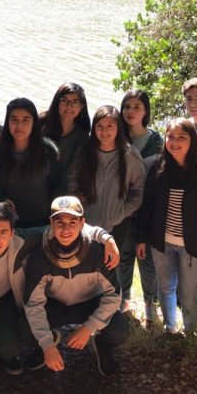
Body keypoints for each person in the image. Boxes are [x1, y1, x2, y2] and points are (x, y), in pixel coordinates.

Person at [0, 201, 120, 391]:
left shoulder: (22, 241)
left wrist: (106, 238)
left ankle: (11, 351)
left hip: (3, 304)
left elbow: (69, 229)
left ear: (12, 233)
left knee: (9, 348)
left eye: (3, 232)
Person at [136, 118, 197, 334]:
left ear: (192, 140)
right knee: (166, 288)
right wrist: (141, 237)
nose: (175, 142)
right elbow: (147, 205)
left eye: (181, 137)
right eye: (171, 137)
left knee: (188, 294)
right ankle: (171, 328)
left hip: (192, 246)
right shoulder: (158, 168)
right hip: (162, 243)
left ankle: (190, 331)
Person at [24, 196, 130, 376]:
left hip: (90, 302)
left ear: (82, 223)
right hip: (55, 304)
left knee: (119, 329)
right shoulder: (39, 257)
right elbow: (34, 304)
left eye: (72, 222)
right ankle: (46, 345)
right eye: (60, 222)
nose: (66, 229)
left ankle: (102, 346)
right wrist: (46, 344)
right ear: (51, 223)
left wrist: (89, 327)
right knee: (23, 328)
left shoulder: (98, 251)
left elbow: (114, 295)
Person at [70, 105, 145, 308]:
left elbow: (138, 192)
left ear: (118, 127)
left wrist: (120, 213)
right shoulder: (85, 152)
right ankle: (82, 307)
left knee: (109, 267)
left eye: (110, 126)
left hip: (116, 224)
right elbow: (71, 182)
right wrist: (77, 202)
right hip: (84, 223)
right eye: (99, 126)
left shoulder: (130, 155)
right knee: (83, 266)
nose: (104, 131)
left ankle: (110, 309)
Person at [0, 98, 65, 227]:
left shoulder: (49, 152)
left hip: (41, 222)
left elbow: (59, 188)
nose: (19, 126)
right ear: (7, 121)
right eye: (14, 119)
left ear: (34, 123)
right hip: (4, 223)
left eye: (25, 120)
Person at [118, 89, 163, 325]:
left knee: (148, 260)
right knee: (123, 257)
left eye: (137, 106)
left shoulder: (157, 141)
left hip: (148, 211)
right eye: (127, 106)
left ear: (145, 111)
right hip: (123, 211)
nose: (131, 111)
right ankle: (122, 304)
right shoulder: (115, 137)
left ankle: (151, 306)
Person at [41, 82, 91, 181]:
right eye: (64, 100)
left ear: (81, 107)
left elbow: (74, 170)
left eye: (75, 102)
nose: (69, 106)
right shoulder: (42, 122)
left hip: (61, 186)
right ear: (57, 102)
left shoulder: (82, 135)